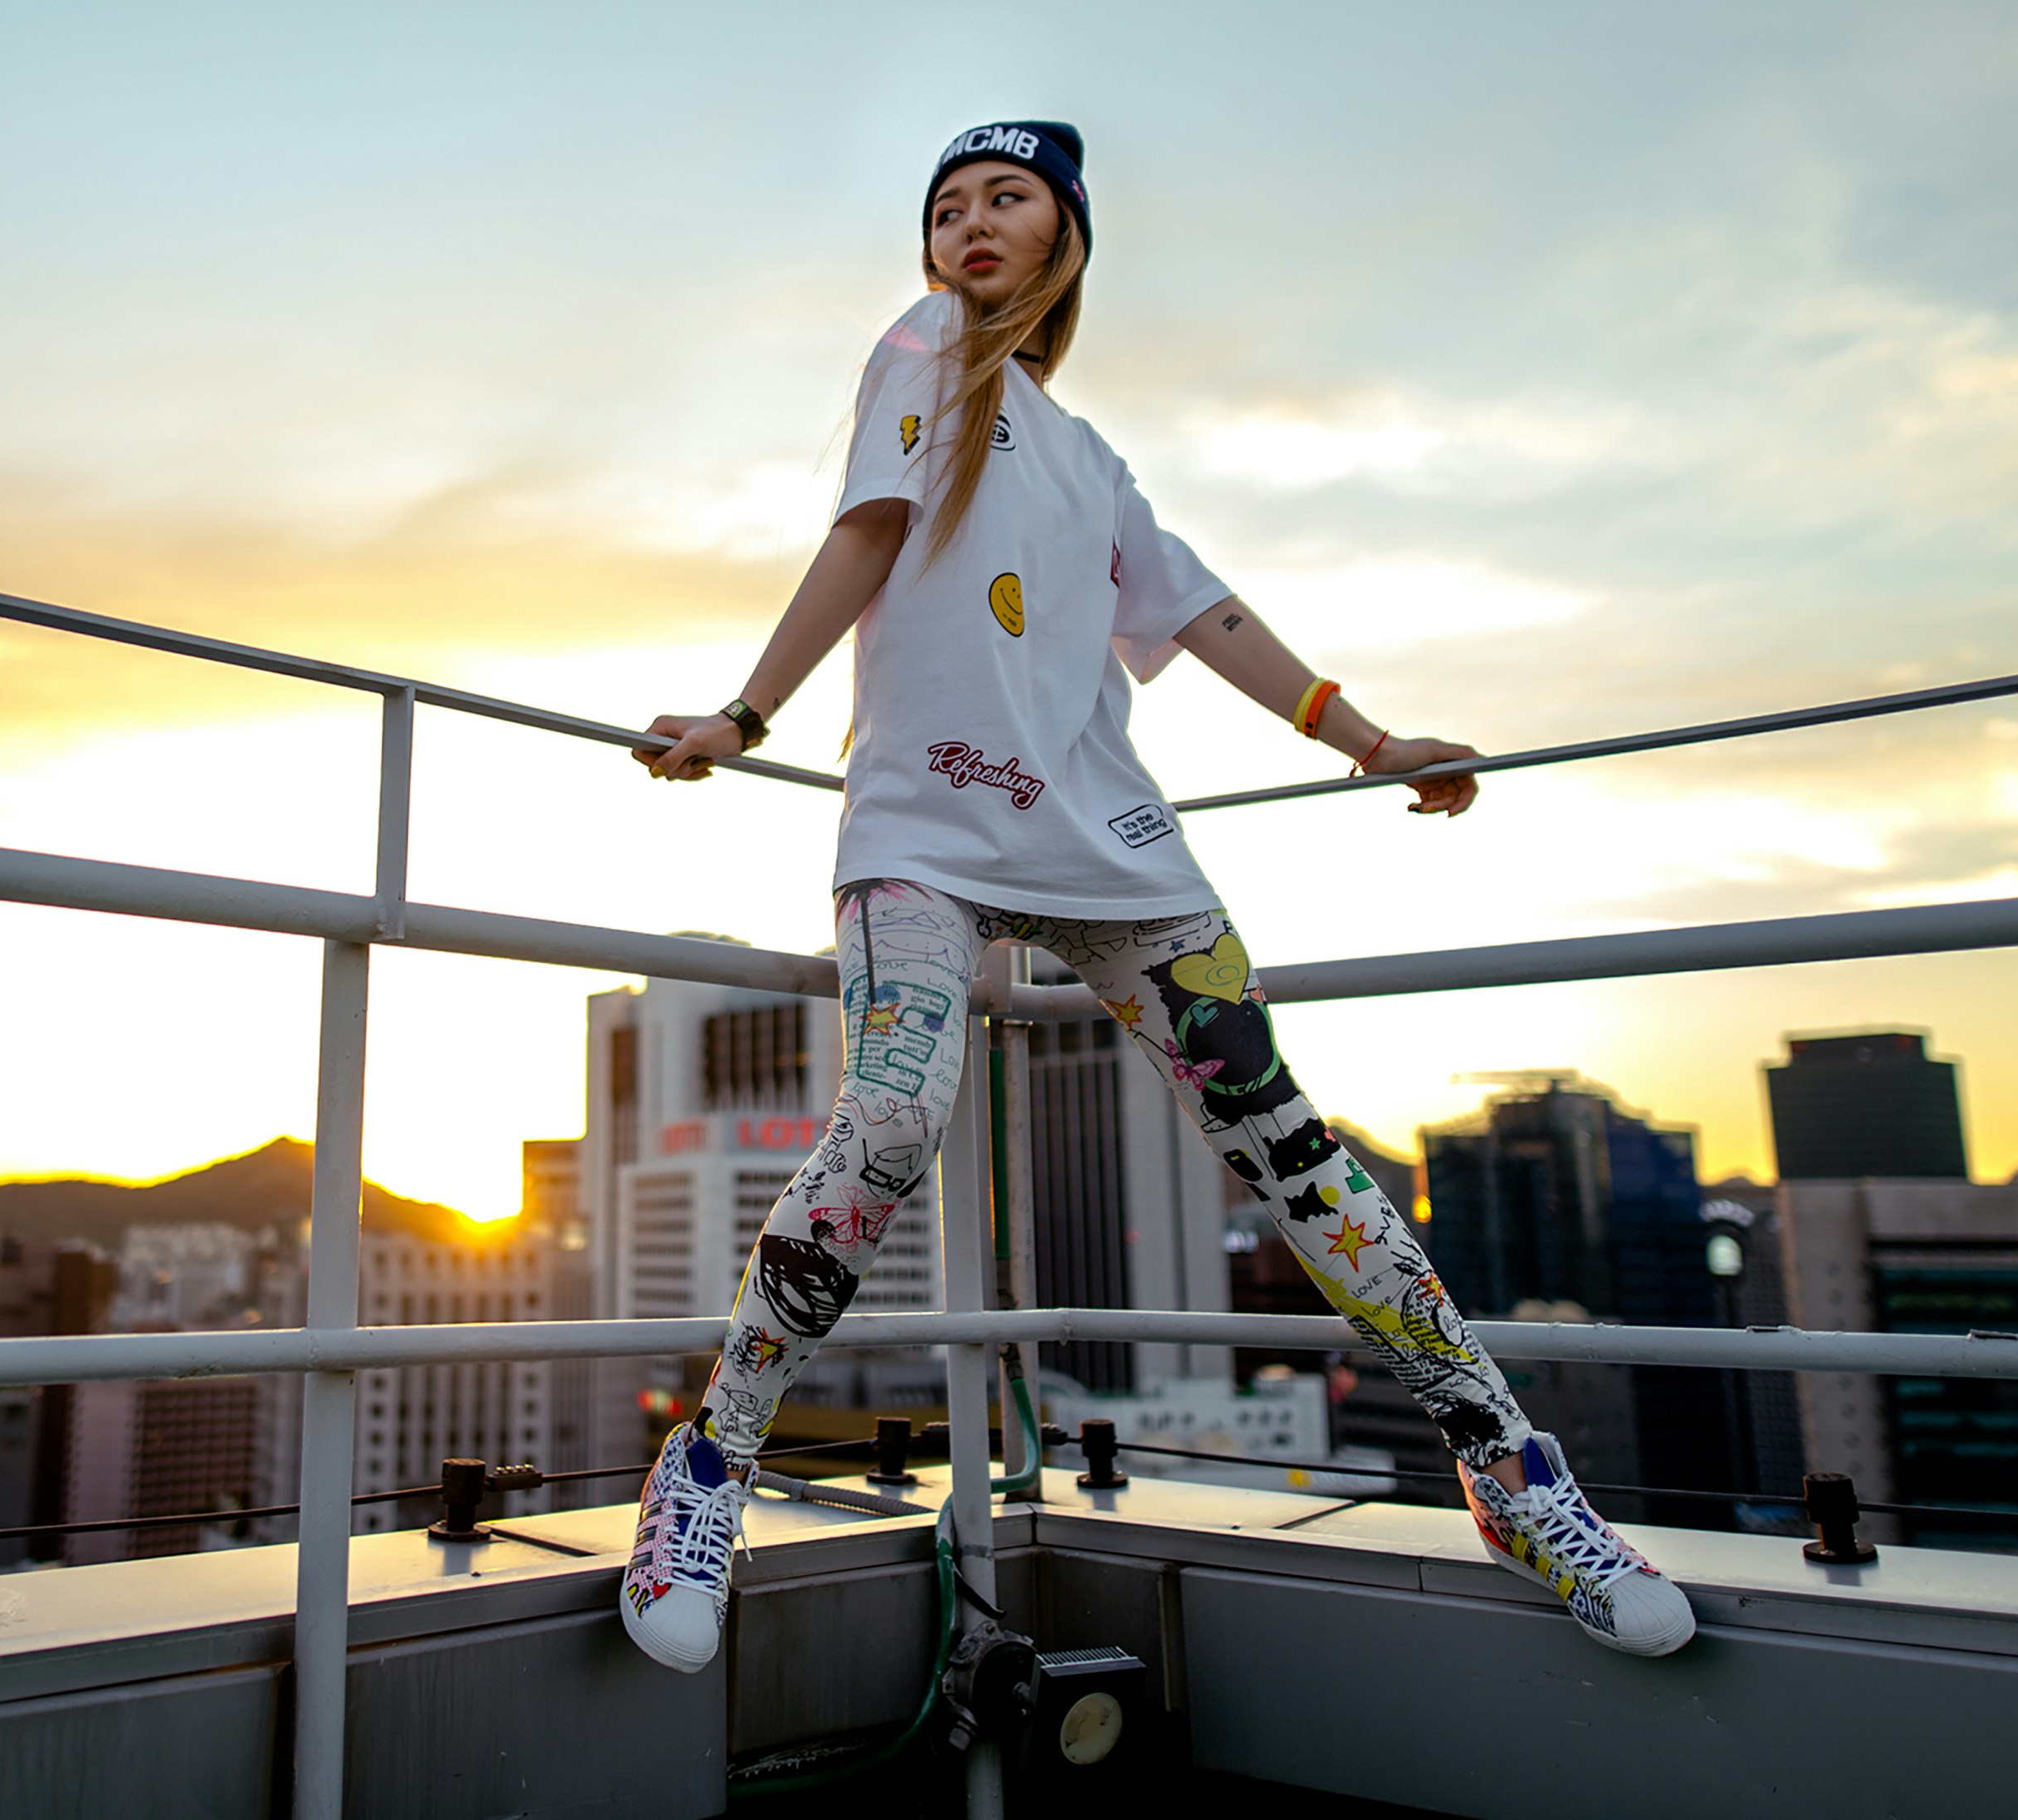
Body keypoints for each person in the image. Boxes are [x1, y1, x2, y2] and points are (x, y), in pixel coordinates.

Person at [613, 120, 1696, 1672]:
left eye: (1006, 200)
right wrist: (750, 714)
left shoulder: (1090, 456)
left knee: (1295, 1151)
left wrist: (1373, 740)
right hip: (920, 824)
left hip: (1110, 843)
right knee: (896, 1112)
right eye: (946, 208)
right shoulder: (920, 351)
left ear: (1065, 236)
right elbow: (865, 533)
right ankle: (706, 1462)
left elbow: (1208, 611)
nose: (969, 226)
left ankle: (1510, 1469)